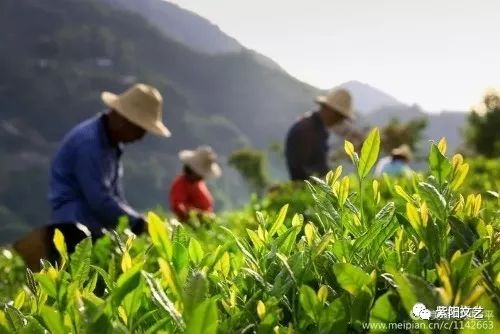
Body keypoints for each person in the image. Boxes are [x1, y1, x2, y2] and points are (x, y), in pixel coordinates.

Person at [14, 83, 170, 269]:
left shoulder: (111, 145)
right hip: (74, 230)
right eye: (140, 129)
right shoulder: (89, 144)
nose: (141, 137)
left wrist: (136, 220)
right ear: (123, 120)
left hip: (95, 228)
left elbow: (116, 196)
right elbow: (100, 200)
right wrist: (137, 223)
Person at [285, 88, 361, 181]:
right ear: (330, 110)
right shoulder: (305, 129)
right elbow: (301, 171)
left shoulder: (320, 130)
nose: (340, 120)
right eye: (339, 116)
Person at [169, 146, 221, 222]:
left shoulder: (199, 183)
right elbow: (178, 207)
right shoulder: (180, 184)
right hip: (189, 226)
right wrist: (199, 215)